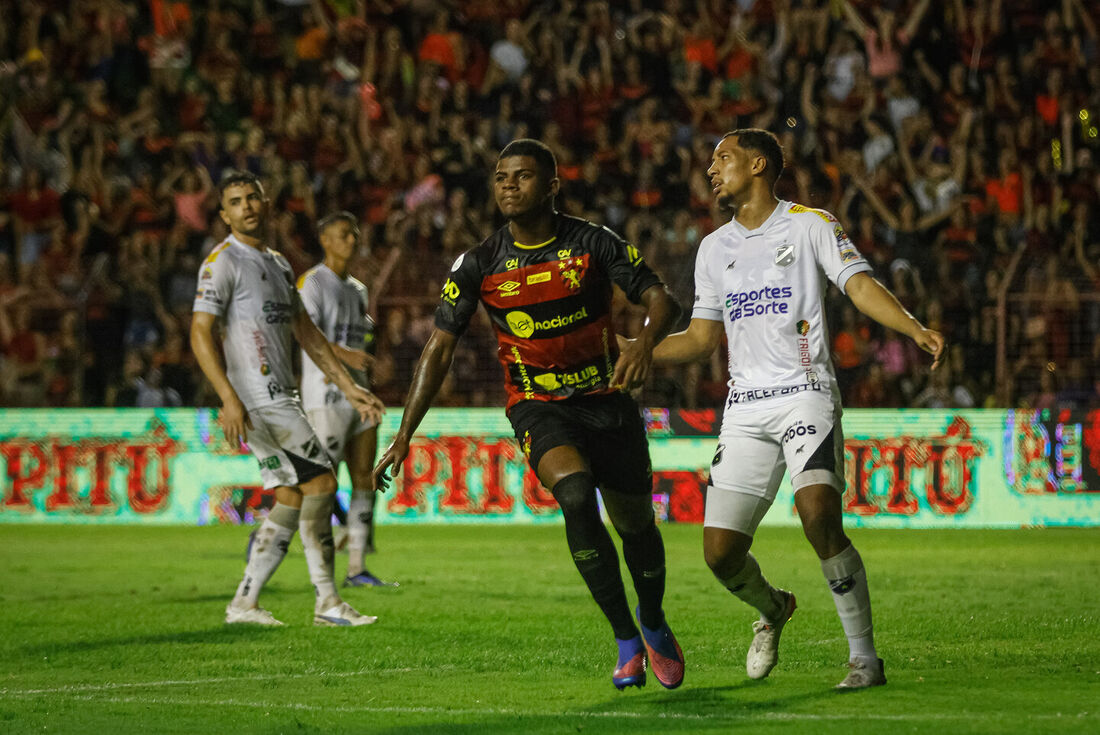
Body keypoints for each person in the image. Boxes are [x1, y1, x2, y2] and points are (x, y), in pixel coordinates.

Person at [372, 139, 686, 690]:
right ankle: (625, 638)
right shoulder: (478, 263)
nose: (508, 185)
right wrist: (403, 435)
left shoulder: (593, 243)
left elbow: (662, 299)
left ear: (552, 186)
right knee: (573, 495)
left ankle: (653, 619)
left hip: (608, 400)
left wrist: (642, 342)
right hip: (538, 407)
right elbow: (438, 349)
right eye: (500, 177)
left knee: (636, 526)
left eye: (521, 176)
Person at [642, 130, 944, 689]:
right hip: (744, 409)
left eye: (722, 159)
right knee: (719, 554)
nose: (711, 170)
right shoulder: (713, 247)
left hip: (804, 392)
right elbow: (702, 339)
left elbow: (858, 285)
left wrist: (914, 328)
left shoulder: (810, 224)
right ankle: (774, 607)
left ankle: (864, 660)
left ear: (759, 165)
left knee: (819, 516)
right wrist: (635, 353)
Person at [191, 171, 385, 627]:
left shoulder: (279, 266)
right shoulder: (221, 263)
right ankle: (328, 603)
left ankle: (244, 603)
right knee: (321, 484)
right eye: (236, 202)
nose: (247, 207)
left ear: (266, 202)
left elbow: (310, 337)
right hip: (258, 401)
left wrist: (350, 385)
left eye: (253, 198)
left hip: (285, 398)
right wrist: (227, 396)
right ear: (225, 214)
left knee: (291, 497)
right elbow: (200, 332)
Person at [297, 211, 396, 588]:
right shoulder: (313, 282)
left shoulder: (358, 290)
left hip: (360, 396)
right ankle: (308, 562)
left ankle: (357, 568)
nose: (352, 241)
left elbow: (360, 341)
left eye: (354, 235)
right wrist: (349, 357)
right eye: (343, 234)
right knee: (319, 484)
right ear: (325, 240)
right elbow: (308, 336)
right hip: (325, 396)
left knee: (364, 479)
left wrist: (370, 368)